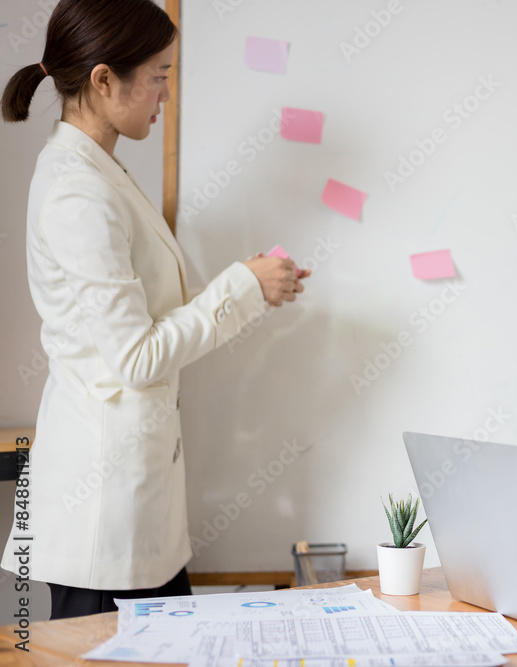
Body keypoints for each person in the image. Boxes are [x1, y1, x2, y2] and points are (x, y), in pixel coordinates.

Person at [0, 0, 310, 618]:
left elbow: (146, 316)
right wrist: (242, 288)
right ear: (104, 79)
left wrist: (249, 284)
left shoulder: (99, 170)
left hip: (136, 506)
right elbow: (136, 357)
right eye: (159, 76)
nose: (166, 94)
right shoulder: (77, 191)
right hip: (104, 513)